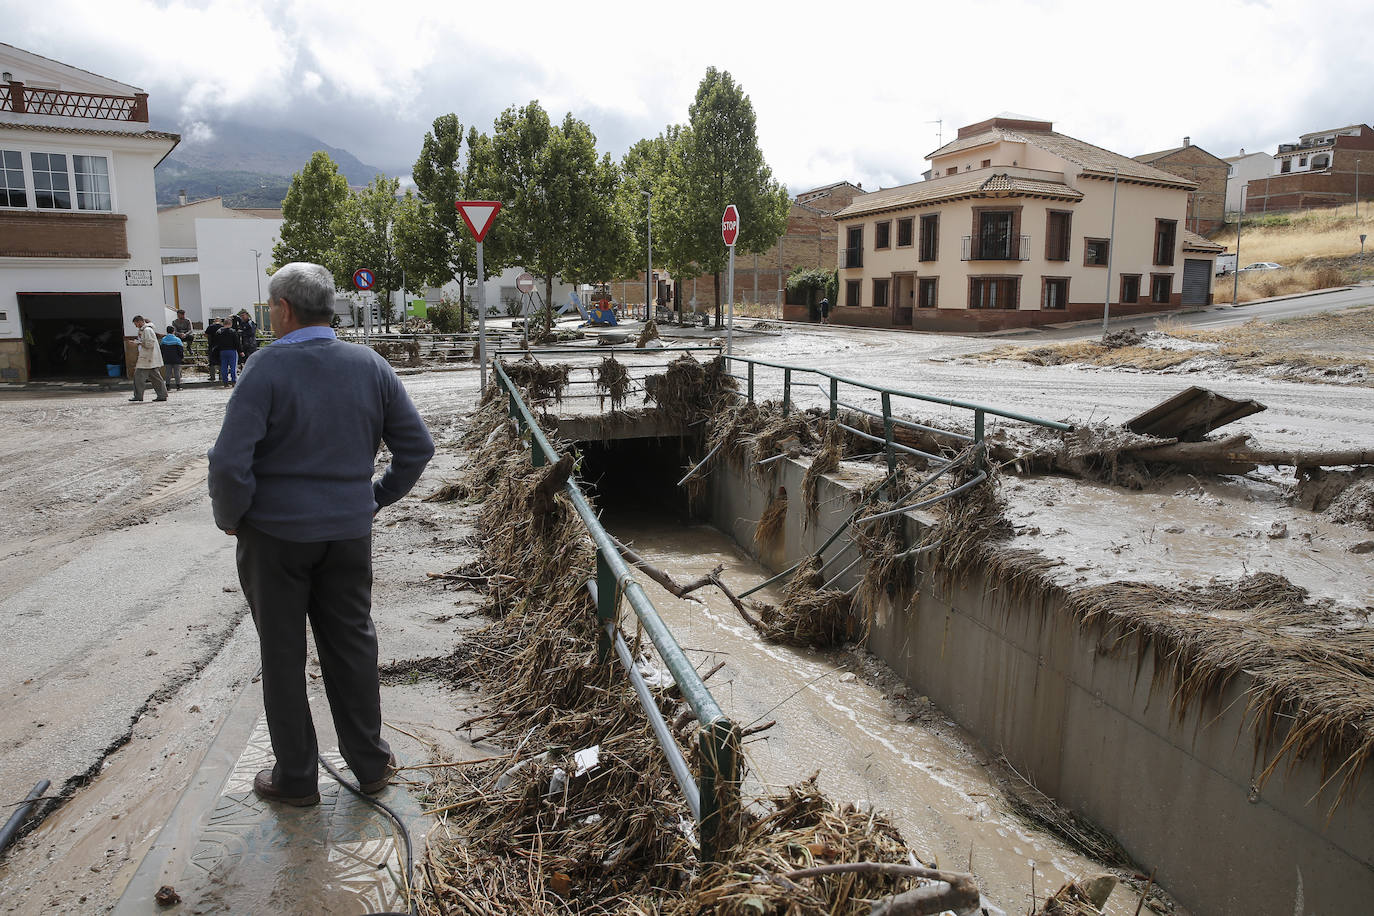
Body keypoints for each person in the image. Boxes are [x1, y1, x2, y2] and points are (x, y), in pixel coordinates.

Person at [208, 261, 434, 807]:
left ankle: (296, 779)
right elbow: (417, 449)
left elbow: (228, 464)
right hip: (348, 535)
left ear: (283, 309)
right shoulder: (370, 365)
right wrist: (371, 498)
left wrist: (232, 517)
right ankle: (372, 764)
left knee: (282, 656)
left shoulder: (265, 368)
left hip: (276, 539)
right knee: (352, 645)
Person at [129, 315, 168, 402]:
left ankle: (138, 396)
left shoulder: (147, 330)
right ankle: (162, 395)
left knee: (138, 377)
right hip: (149, 358)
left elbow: (149, 344)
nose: (136, 326)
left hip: (147, 358)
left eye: (136, 324)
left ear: (139, 322)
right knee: (156, 378)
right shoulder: (146, 330)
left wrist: (137, 343)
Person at [214, 319, 240, 387]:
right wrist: (240, 351)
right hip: (232, 351)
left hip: (222, 351)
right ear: (230, 324)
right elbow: (237, 342)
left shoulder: (219, 332)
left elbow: (216, 342)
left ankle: (225, 382)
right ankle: (233, 381)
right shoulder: (233, 331)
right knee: (233, 367)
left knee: (224, 367)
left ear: (223, 324)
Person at [160, 325, 186, 390]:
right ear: (173, 331)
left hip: (167, 358)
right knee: (177, 372)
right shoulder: (177, 340)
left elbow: (162, 350)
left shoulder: (163, 339)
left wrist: (163, 357)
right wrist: (181, 357)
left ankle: (168, 386)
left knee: (168, 373)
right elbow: (180, 350)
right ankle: (178, 386)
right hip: (176, 359)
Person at [205, 318, 221, 383]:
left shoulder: (210, 327)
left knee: (211, 362)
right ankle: (221, 376)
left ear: (214, 321)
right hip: (220, 346)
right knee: (220, 362)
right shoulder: (222, 326)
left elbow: (206, 334)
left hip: (212, 346)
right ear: (220, 321)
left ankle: (212, 376)